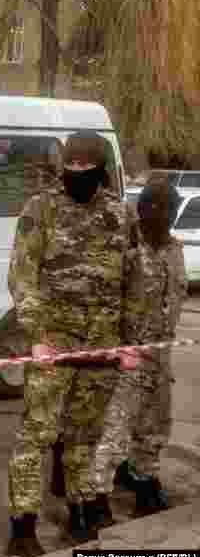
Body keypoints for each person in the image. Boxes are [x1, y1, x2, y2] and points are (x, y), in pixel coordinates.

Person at [6, 131, 142, 557]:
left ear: (100, 171)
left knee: (85, 435)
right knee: (36, 435)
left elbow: (133, 285)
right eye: (71, 168)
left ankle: (80, 511)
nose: (77, 175)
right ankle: (23, 525)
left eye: (86, 169)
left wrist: (130, 343)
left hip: (102, 346)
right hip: (54, 343)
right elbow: (22, 277)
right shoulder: (40, 209)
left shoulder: (121, 215)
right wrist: (37, 336)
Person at [86, 179, 187, 521]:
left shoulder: (175, 249)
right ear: (143, 208)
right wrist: (115, 350)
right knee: (113, 430)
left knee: (155, 427)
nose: (162, 215)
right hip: (127, 357)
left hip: (160, 357)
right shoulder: (125, 247)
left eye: (168, 209)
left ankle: (145, 483)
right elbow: (103, 302)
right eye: (155, 207)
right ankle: (95, 499)